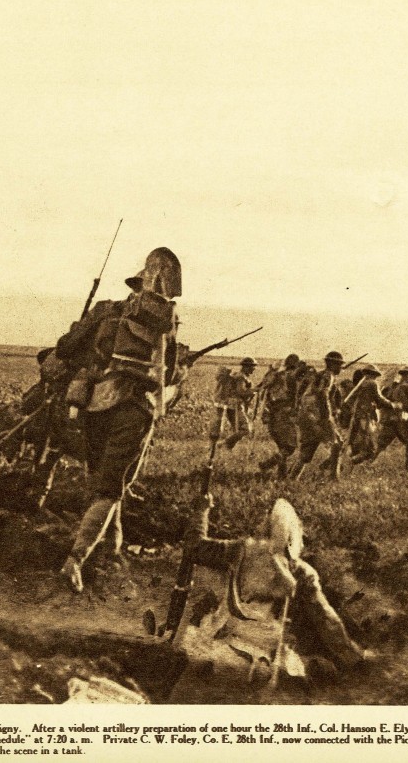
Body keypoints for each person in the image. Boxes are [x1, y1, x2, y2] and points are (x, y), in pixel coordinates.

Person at [57, 247, 182, 593]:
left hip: (97, 405)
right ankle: (76, 560)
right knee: (112, 487)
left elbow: (66, 347)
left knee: (105, 483)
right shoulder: (166, 321)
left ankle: (110, 553)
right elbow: (169, 372)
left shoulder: (106, 312)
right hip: (135, 406)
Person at [168, 493, 366, 690]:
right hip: (268, 655)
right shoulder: (300, 571)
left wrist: (202, 511)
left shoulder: (238, 551)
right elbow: (326, 619)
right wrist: (352, 656)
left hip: (220, 641)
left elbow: (195, 548)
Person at [288, 351, 345, 481]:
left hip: (306, 415)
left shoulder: (319, 375)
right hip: (317, 415)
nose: (341, 368)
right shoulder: (328, 376)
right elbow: (323, 395)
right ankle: (333, 477)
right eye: (339, 365)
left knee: (307, 450)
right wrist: (327, 416)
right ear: (331, 364)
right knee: (337, 444)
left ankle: (292, 478)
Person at [341, 364, 398, 464]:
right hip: (365, 416)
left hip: (357, 416)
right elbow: (379, 399)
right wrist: (393, 405)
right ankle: (350, 462)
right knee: (370, 446)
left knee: (354, 442)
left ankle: (343, 465)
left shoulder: (361, 384)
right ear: (373, 374)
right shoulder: (372, 383)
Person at [258, 354, 302, 478]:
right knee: (290, 447)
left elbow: (264, 392)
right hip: (284, 413)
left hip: (272, 412)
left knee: (282, 446)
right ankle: (267, 464)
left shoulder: (276, 375)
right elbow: (295, 396)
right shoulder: (291, 377)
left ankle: (281, 475)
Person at [372, 366, 408, 471]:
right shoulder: (407, 387)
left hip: (390, 419)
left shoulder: (393, 386)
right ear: (406, 375)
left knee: (381, 444)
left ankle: (366, 462)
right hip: (402, 419)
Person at [210, 357, 257, 452]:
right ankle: (224, 444)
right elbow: (241, 392)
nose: (254, 369)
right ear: (246, 367)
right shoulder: (241, 377)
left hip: (229, 405)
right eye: (253, 366)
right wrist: (254, 391)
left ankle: (225, 447)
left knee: (239, 429)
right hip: (235, 406)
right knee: (245, 429)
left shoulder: (238, 375)